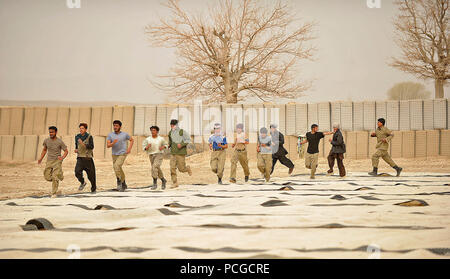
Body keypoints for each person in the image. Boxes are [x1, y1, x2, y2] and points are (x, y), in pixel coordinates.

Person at [37, 126, 68, 198]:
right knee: (47, 177)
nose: (50, 133)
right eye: (50, 132)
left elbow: (66, 151)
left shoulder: (60, 141)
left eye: (52, 132)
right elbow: (44, 150)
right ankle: (59, 176)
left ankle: (54, 193)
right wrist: (41, 158)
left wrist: (62, 157)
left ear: (56, 132)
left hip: (57, 161)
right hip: (49, 161)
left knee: (54, 176)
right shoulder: (46, 141)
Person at [106, 120, 134, 191]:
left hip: (122, 153)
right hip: (114, 154)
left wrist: (129, 149)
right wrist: (113, 143)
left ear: (120, 127)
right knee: (118, 169)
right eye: (114, 125)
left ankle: (119, 183)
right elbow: (108, 145)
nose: (115, 127)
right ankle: (123, 183)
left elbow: (131, 140)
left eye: (116, 126)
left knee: (117, 166)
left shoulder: (125, 134)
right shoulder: (110, 135)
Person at [168, 119, 192, 188]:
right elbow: (170, 141)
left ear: (176, 125)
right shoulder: (170, 133)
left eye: (173, 125)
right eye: (171, 125)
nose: (172, 126)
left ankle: (187, 169)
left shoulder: (182, 132)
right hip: (173, 153)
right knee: (172, 168)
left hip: (180, 153)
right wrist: (168, 145)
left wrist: (181, 144)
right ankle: (175, 182)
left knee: (181, 169)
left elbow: (188, 140)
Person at [143, 125, 168, 190]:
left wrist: (163, 147)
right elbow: (144, 147)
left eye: (154, 130)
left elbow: (166, 145)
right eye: (151, 130)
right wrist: (147, 147)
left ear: (157, 131)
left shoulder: (161, 139)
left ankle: (154, 183)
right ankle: (163, 180)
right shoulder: (148, 139)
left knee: (154, 167)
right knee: (156, 168)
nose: (152, 131)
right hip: (151, 155)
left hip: (159, 154)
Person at [74, 123, 97, 193]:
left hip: (88, 158)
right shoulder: (77, 137)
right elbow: (76, 145)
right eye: (80, 128)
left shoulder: (89, 136)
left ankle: (93, 190)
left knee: (91, 176)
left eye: (82, 128)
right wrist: (76, 149)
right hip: (80, 158)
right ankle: (83, 182)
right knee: (77, 172)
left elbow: (91, 146)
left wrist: (83, 144)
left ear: (86, 129)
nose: (81, 130)